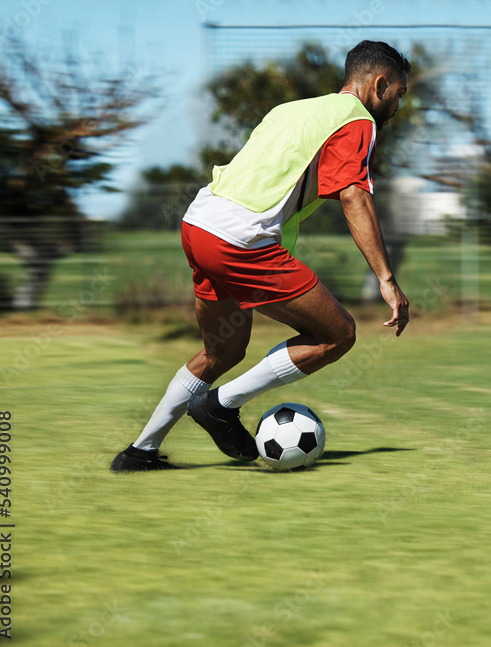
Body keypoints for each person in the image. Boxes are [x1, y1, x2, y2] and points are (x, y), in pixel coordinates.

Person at [111, 41, 411, 472]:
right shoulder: (358, 121)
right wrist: (386, 278)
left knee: (222, 350)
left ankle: (138, 453)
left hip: (199, 222)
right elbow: (352, 195)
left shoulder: (290, 108)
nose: (398, 105)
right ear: (379, 84)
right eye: (398, 93)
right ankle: (220, 406)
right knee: (337, 333)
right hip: (240, 237)